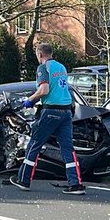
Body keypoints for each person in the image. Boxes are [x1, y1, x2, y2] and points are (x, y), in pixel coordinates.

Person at [11, 43, 85, 194]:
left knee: (34, 144)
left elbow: (44, 90)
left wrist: (29, 100)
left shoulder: (43, 68)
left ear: (40, 54)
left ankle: (24, 180)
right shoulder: (61, 67)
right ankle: (75, 184)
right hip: (66, 112)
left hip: (50, 111)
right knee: (67, 149)